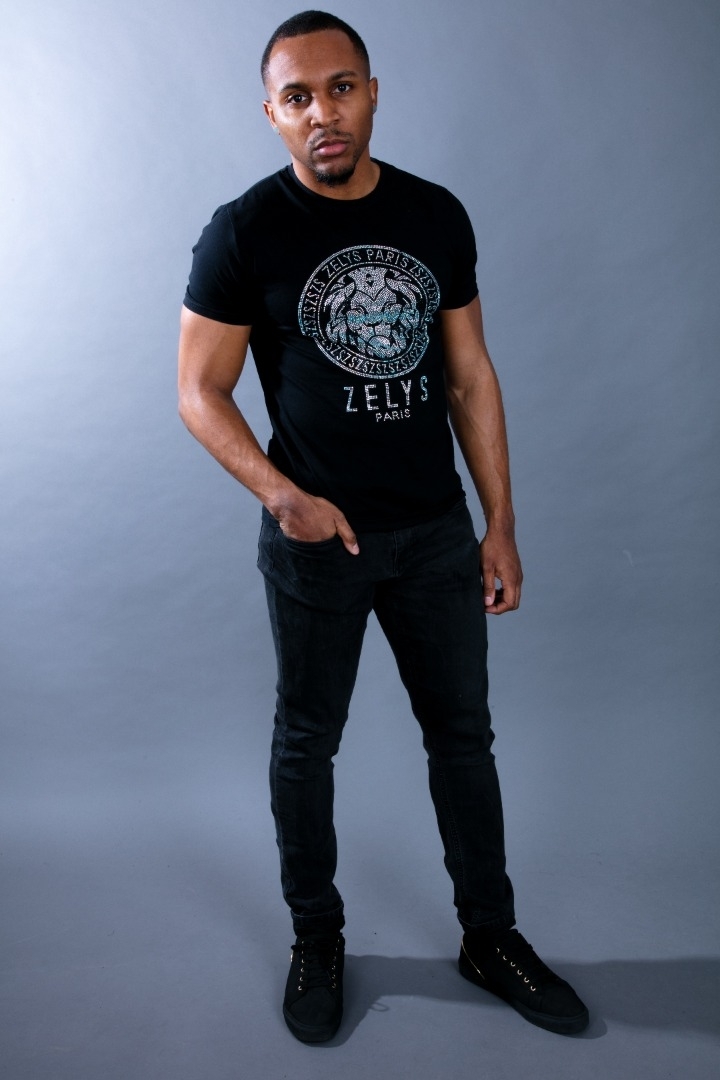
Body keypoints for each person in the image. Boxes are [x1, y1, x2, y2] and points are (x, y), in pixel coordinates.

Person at [178, 10, 589, 1045]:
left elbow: (470, 375)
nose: (323, 112)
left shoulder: (433, 214)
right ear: (272, 113)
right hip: (319, 540)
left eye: (342, 87)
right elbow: (199, 391)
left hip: (436, 536)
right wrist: (282, 496)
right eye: (299, 96)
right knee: (306, 742)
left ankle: (490, 936)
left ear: (371, 93)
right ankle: (317, 937)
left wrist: (500, 522)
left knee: (463, 739)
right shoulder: (243, 232)